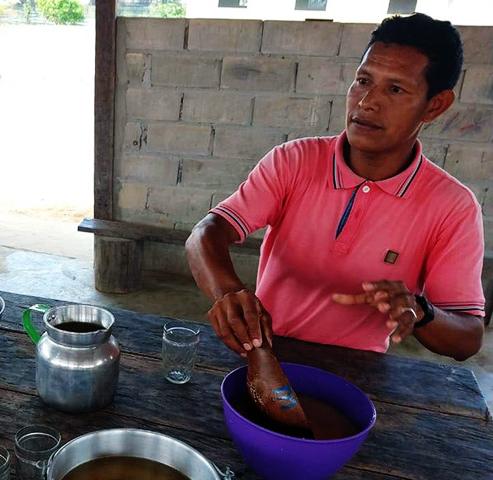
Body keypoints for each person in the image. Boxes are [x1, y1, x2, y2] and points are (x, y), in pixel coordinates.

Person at [185, 13, 485, 362]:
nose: (366, 101)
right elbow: (206, 232)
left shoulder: (452, 207)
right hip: (263, 354)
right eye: (362, 80)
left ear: (435, 105)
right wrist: (227, 293)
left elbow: (468, 338)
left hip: (358, 374)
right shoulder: (294, 161)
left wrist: (421, 311)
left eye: (395, 88)